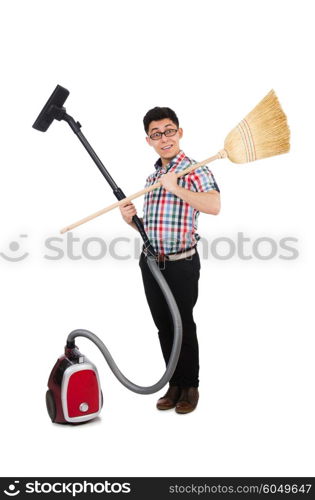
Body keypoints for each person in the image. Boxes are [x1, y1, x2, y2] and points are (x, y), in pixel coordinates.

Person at [119, 107, 220, 414]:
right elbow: (152, 227)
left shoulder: (196, 169)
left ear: (180, 132)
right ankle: (173, 383)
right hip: (151, 263)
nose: (164, 138)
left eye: (169, 130)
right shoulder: (153, 176)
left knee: (182, 325)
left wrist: (177, 187)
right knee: (164, 326)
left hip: (180, 264)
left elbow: (214, 205)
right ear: (149, 140)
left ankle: (190, 387)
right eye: (156, 134)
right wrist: (132, 221)